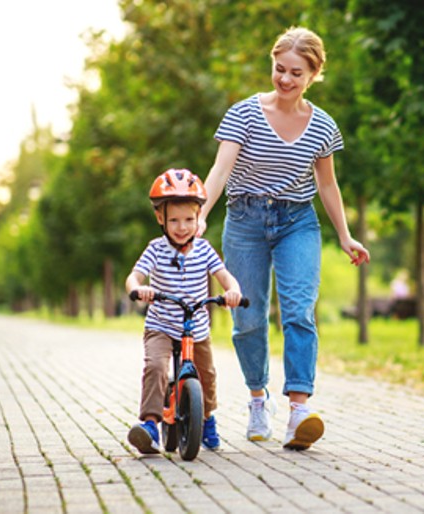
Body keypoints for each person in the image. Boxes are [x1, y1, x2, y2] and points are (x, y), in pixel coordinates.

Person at [197, 26, 370, 451]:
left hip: (297, 222)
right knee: (248, 317)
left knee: (298, 311)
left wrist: (345, 236)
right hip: (245, 220)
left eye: (296, 73)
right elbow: (220, 171)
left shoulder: (323, 126)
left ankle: (298, 412)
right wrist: (199, 214)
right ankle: (258, 398)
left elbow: (327, 185)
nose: (286, 79)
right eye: (279, 70)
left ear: (313, 75)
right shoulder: (243, 114)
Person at [126, 168, 243, 454]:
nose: (182, 227)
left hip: (197, 327)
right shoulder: (155, 249)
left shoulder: (204, 250)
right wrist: (139, 290)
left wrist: (233, 291)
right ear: (160, 218)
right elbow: (134, 277)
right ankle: (151, 425)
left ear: (198, 218)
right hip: (162, 324)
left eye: (189, 219)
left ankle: (206, 417)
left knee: (208, 375)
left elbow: (225, 276)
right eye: (174, 220)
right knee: (155, 367)